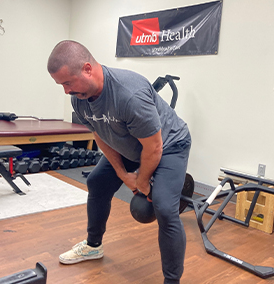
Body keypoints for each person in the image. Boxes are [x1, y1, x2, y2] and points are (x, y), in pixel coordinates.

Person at [47, 40, 191, 284]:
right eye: (61, 85)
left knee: (165, 208)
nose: (66, 91)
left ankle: (172, 281)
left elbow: (154, 147)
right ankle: (93, 246)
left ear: (87, 69)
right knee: (97, 182)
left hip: (168, 145)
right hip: (130, 144)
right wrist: (124, 175)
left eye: (67, 83)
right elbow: (101, 135)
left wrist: (142, 181)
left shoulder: (129, 94)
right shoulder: (79, 98)